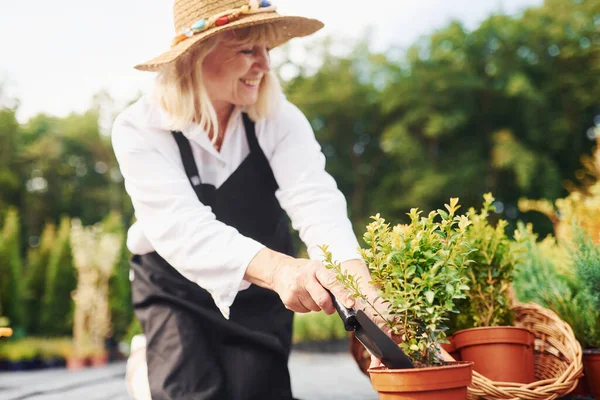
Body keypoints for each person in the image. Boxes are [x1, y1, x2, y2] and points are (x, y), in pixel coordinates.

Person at [111, 0, 381, 399]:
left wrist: (360, 288)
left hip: (261, 290)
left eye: (267, 51)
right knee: (189, 391)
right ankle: (150, 369)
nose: (265, 66)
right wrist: (283, 272)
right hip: (174, 284)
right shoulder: (140, 128)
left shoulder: (278, 118)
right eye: (247, 51)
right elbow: (183, 228)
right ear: (195, 57)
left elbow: (315, 199)